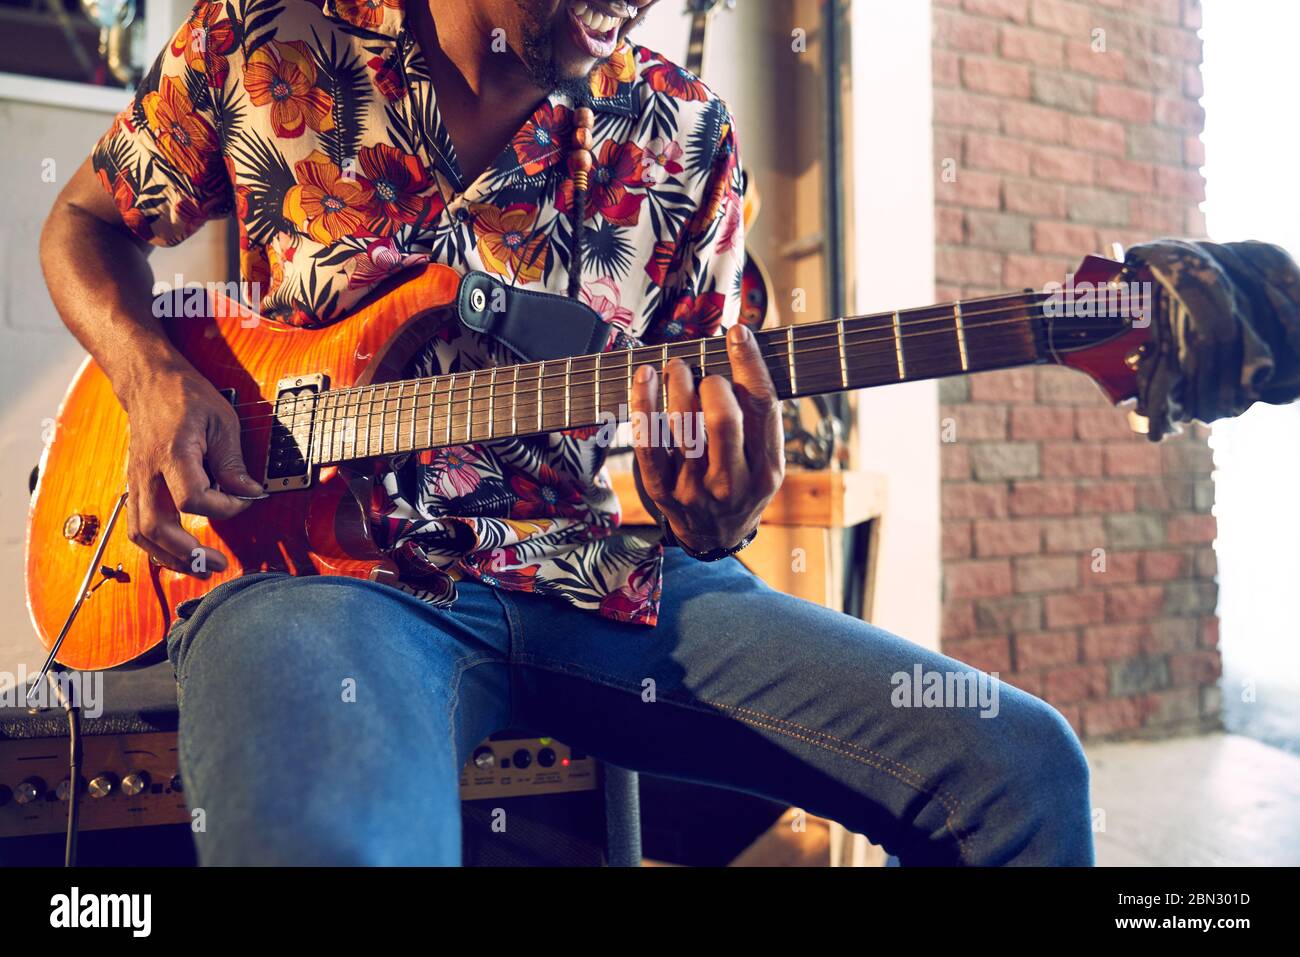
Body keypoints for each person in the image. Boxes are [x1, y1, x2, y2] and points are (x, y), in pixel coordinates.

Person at [39, 0, 1093, 865]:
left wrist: (718, 512)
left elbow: (704, 426)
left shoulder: (685, 136)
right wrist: (153, 371)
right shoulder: (270, 38)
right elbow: (80, 222)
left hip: (593, 579)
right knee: (328, 848)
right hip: (316, 582)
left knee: (1018, 766)